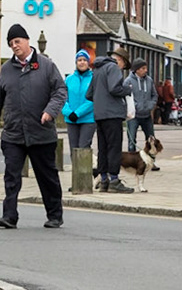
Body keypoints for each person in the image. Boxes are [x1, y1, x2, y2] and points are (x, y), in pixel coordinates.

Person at [0, 24, 67, 229]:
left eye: (17, 41)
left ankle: (55, 215)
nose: (14, 46)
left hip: (41, 133)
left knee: (47, 176)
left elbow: (60, 91)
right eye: (11, 44)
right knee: (11, 176)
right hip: (13, 133)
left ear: (27, 41)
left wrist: (50, 111)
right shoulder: (6, 69)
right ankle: (9, 216)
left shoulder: (46, 66)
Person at [88, 49, 130, 193]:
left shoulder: (97, 69)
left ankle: (104, 180)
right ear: (120, 60)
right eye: (124, 65)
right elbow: (114, 88)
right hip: (113, 114)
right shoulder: (113, 67)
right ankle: (114, 181)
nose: (123, 68)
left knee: (103, 148)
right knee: (114, 148)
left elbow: (89, 94)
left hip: (99, 115)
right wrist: (127, 89)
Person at [62, 51, 97, 152]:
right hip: (71, 119)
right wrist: (69, 112)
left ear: (88, 62)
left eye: (85, 60)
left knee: (83, 148)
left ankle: (84, 168)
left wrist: (78, 113)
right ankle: (74, 168)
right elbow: (62, 97)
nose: (82, 62)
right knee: (73, 149)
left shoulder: (93, 79)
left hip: (88, 119)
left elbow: (93, 99)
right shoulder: (69, 79)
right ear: (76, 62)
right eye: (79, 60)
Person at [124, 60, 157, 154]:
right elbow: (125, 96)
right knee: (132, 141)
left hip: (146, 115)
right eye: (143, 68)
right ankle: (132, 162)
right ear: (136, 69)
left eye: (146, 68)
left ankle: (151, 161)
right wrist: (134, 106)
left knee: (151, 139)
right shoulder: (128, 81)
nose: (146, 70)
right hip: (134, 116)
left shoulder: (149, 80)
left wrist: (151, 105)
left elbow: (154, 95)